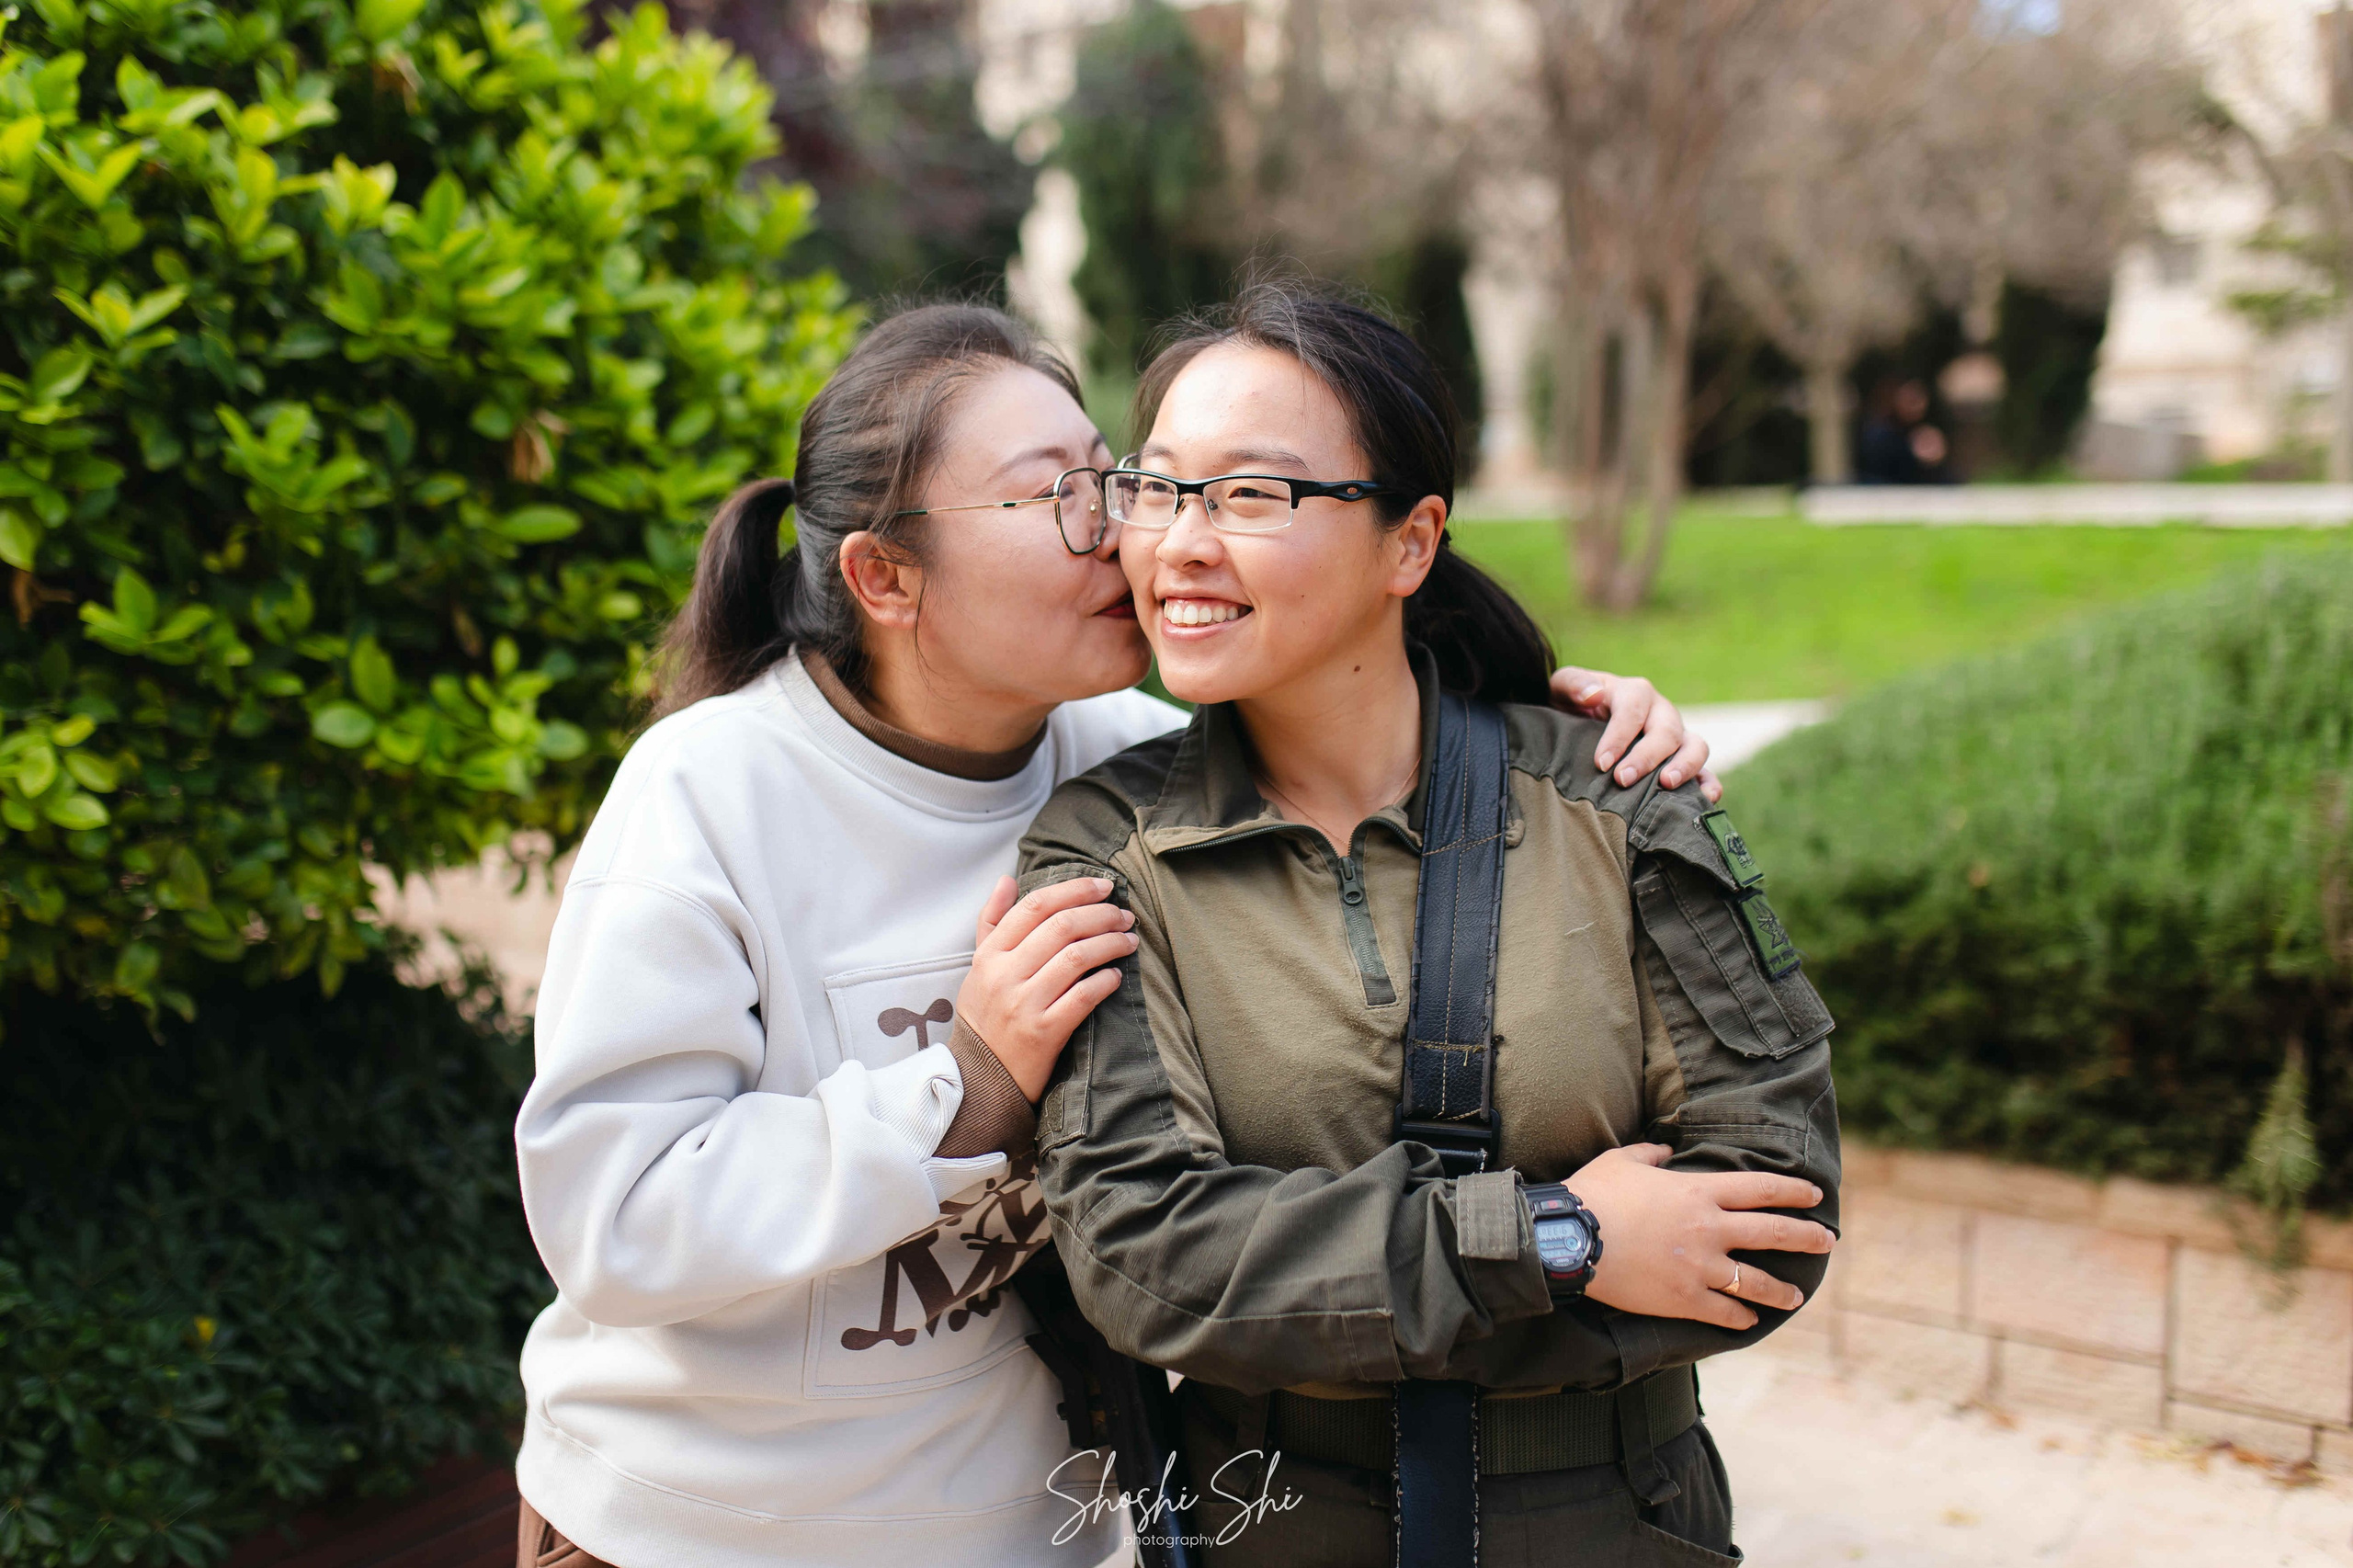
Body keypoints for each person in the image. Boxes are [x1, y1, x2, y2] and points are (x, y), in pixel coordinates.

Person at [508, 302, 1713, 1568]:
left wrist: (1579, 732)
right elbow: (614, 1215)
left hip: (1027, 1529)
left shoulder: (1136, 768)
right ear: (883, 576)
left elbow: (1379, 747)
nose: (1129, 533)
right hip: (699, 1530)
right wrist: (967, 1080)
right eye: (1062, 499)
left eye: (1115, 479)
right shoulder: (709, 789)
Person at [1019, 283, 1840, 1566]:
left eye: (1253, 495)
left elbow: (1772, 1216)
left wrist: (1322, 1284)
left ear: (1412, 542)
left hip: (1621, 1523)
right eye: (1161, 486)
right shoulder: (1106, 852)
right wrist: (1565, 1240)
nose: (1179, 542)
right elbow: (1147, 1260)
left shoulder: (1615, 803)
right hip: (1274, 1525)